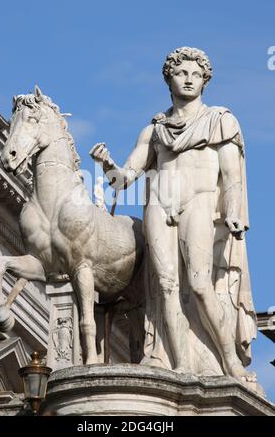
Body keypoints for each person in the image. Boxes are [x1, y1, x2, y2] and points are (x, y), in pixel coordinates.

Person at [90, 47, 256, 380]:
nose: (189, 79)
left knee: (198, 283)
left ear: (205, 81)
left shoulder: (219, 120)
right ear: (169, 80)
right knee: (164, 286)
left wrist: (235, 212)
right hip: (160, 205)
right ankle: (181, 364)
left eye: (196, 74)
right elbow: (124, 180)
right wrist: (107, 164)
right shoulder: (154, 130)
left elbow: (232, 177)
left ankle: (229, 361)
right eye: (182, 73)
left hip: (200, 202)